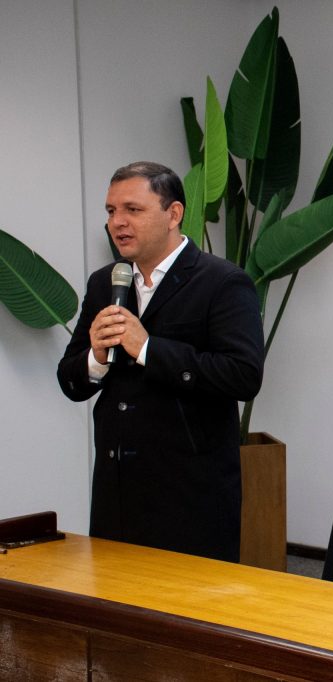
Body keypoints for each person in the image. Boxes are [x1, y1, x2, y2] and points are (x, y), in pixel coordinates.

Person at [57, 161, 264, 562]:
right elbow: (70, 380)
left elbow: (243, 375)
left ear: (173, 214)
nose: (118, 222)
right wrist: (95, 357)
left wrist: (148, 349)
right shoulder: (105, 282)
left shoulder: (222, 282)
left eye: (133, 210)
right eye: (111, 211)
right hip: (116, 495)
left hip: (189, 498)